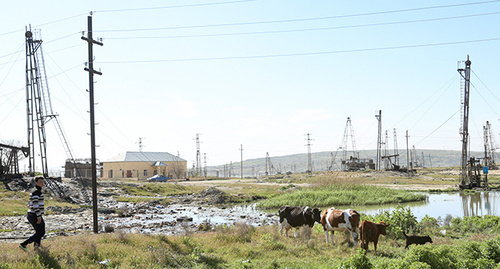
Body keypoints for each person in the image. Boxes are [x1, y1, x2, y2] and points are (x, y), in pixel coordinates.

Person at [19, 176, 45, 251]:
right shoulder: (36, 191)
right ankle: (24, 244)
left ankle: (36, 249)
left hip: (34, 214)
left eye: (43, 182)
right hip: (34, 215)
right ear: (36, 182)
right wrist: (39, 216)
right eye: (40, 182)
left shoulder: (37, 190)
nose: (42, 183)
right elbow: (35, 204)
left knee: (39, 232)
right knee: (41, 232)